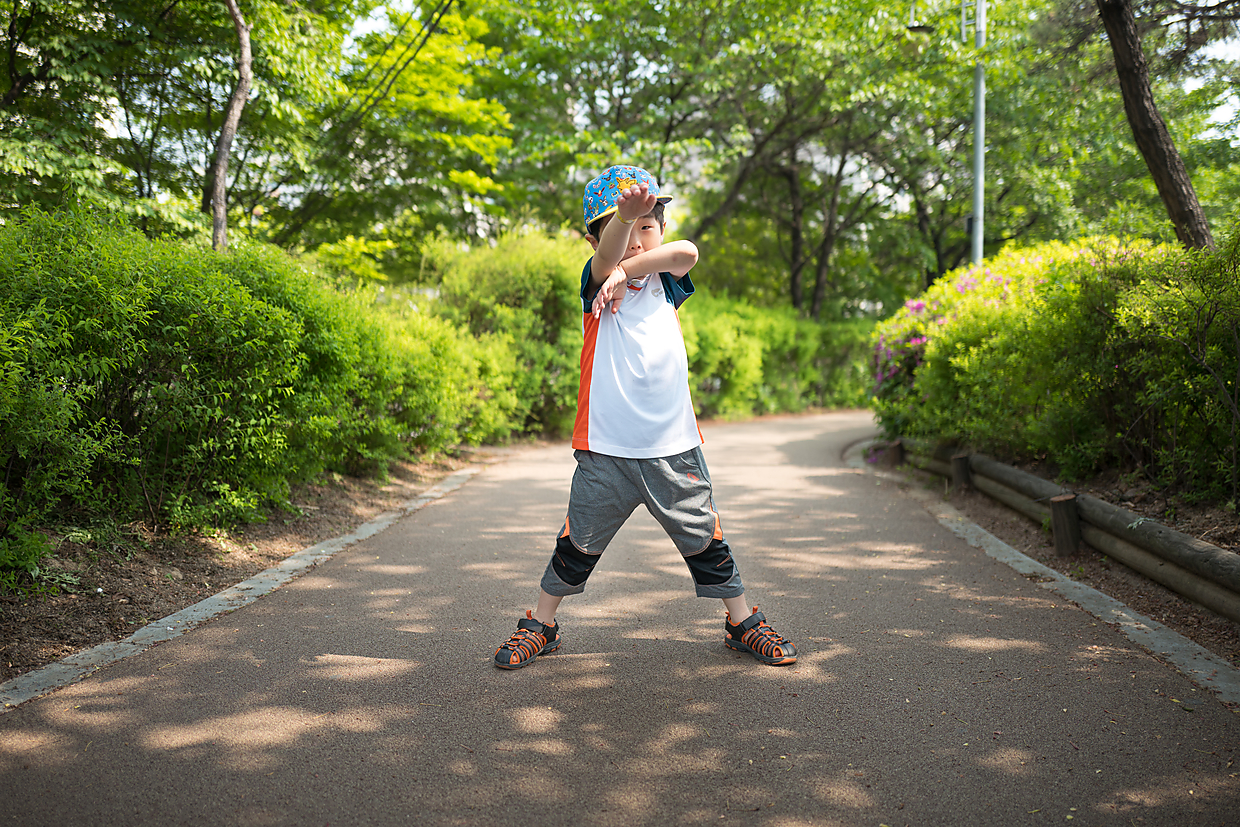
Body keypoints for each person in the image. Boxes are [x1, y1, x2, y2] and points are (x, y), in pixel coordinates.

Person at [493, 164, 797, 669]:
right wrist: (618, 244)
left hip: (673, 447)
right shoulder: (596, 284)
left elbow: (687, 252)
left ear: (660, 228)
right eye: (622, 230)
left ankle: (741, 621)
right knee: (577, 544)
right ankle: (541, 623)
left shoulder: (665, 284)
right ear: (595, 240)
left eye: (647, 226)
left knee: (704, 539)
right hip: (605, 449)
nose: (636, 240)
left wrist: (628, 269)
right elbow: (607, 259)